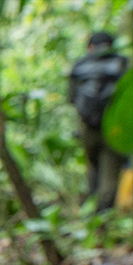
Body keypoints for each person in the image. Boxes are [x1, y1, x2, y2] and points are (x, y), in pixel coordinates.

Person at [68, 31, 128, 211]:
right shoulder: (122, 63)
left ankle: (92, 215)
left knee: (93, 169)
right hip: (114, 129)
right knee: (109, 178)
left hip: (87, 128)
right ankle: (101, 221)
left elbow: (71, 98)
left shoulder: (80, 66)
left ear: (90, 47)